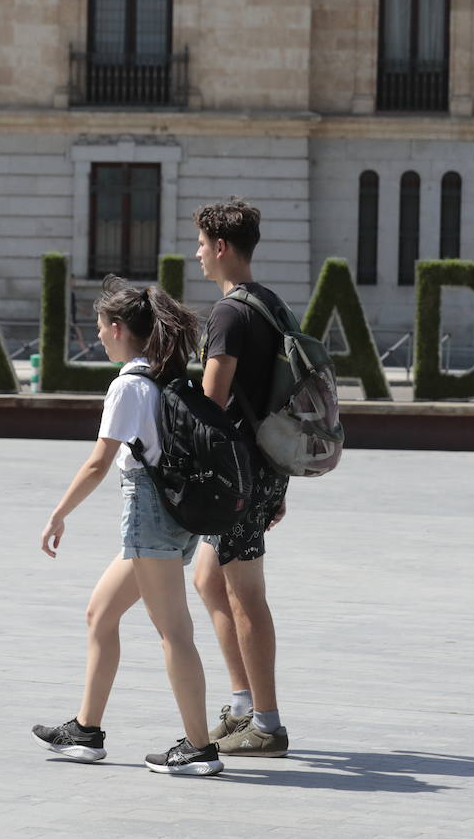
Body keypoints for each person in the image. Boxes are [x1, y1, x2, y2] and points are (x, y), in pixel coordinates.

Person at [31, 277, 223, 777]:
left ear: (119, 329)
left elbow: (100, 462)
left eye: (100, 327)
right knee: (100, 613)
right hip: (173, 513)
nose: (98, 336)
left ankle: (199, 749)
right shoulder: (166, 377)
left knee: (174, 632)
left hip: (149, 512)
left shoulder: (128, 385)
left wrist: (58, 513)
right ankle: (85, 731)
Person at [191, 197, 291, 758]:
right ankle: (242, 704)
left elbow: (213, 402)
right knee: (208, 577)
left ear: (222, 247)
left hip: (237, 476)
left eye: (203, 244)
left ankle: (268, 724)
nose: (199, 254)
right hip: (263, 469)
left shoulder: (229, 313)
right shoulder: (271, 304)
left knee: (245, 594)